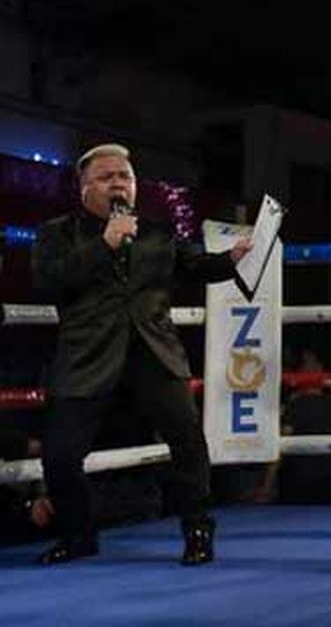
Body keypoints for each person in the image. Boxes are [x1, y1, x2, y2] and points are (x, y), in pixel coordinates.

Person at [32, 143, 251, 566]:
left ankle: (198, 532)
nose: (118, 183)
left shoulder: (158, 232)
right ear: (84, 188)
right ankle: (79, 535)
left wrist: (233, 258)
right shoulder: (57, 233)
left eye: (125, 177)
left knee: (187, 443)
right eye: (107, 176)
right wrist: (105, 245)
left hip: (153, 352)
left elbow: (198, 265)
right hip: (87, 358)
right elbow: (47, 282)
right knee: (59, 454)